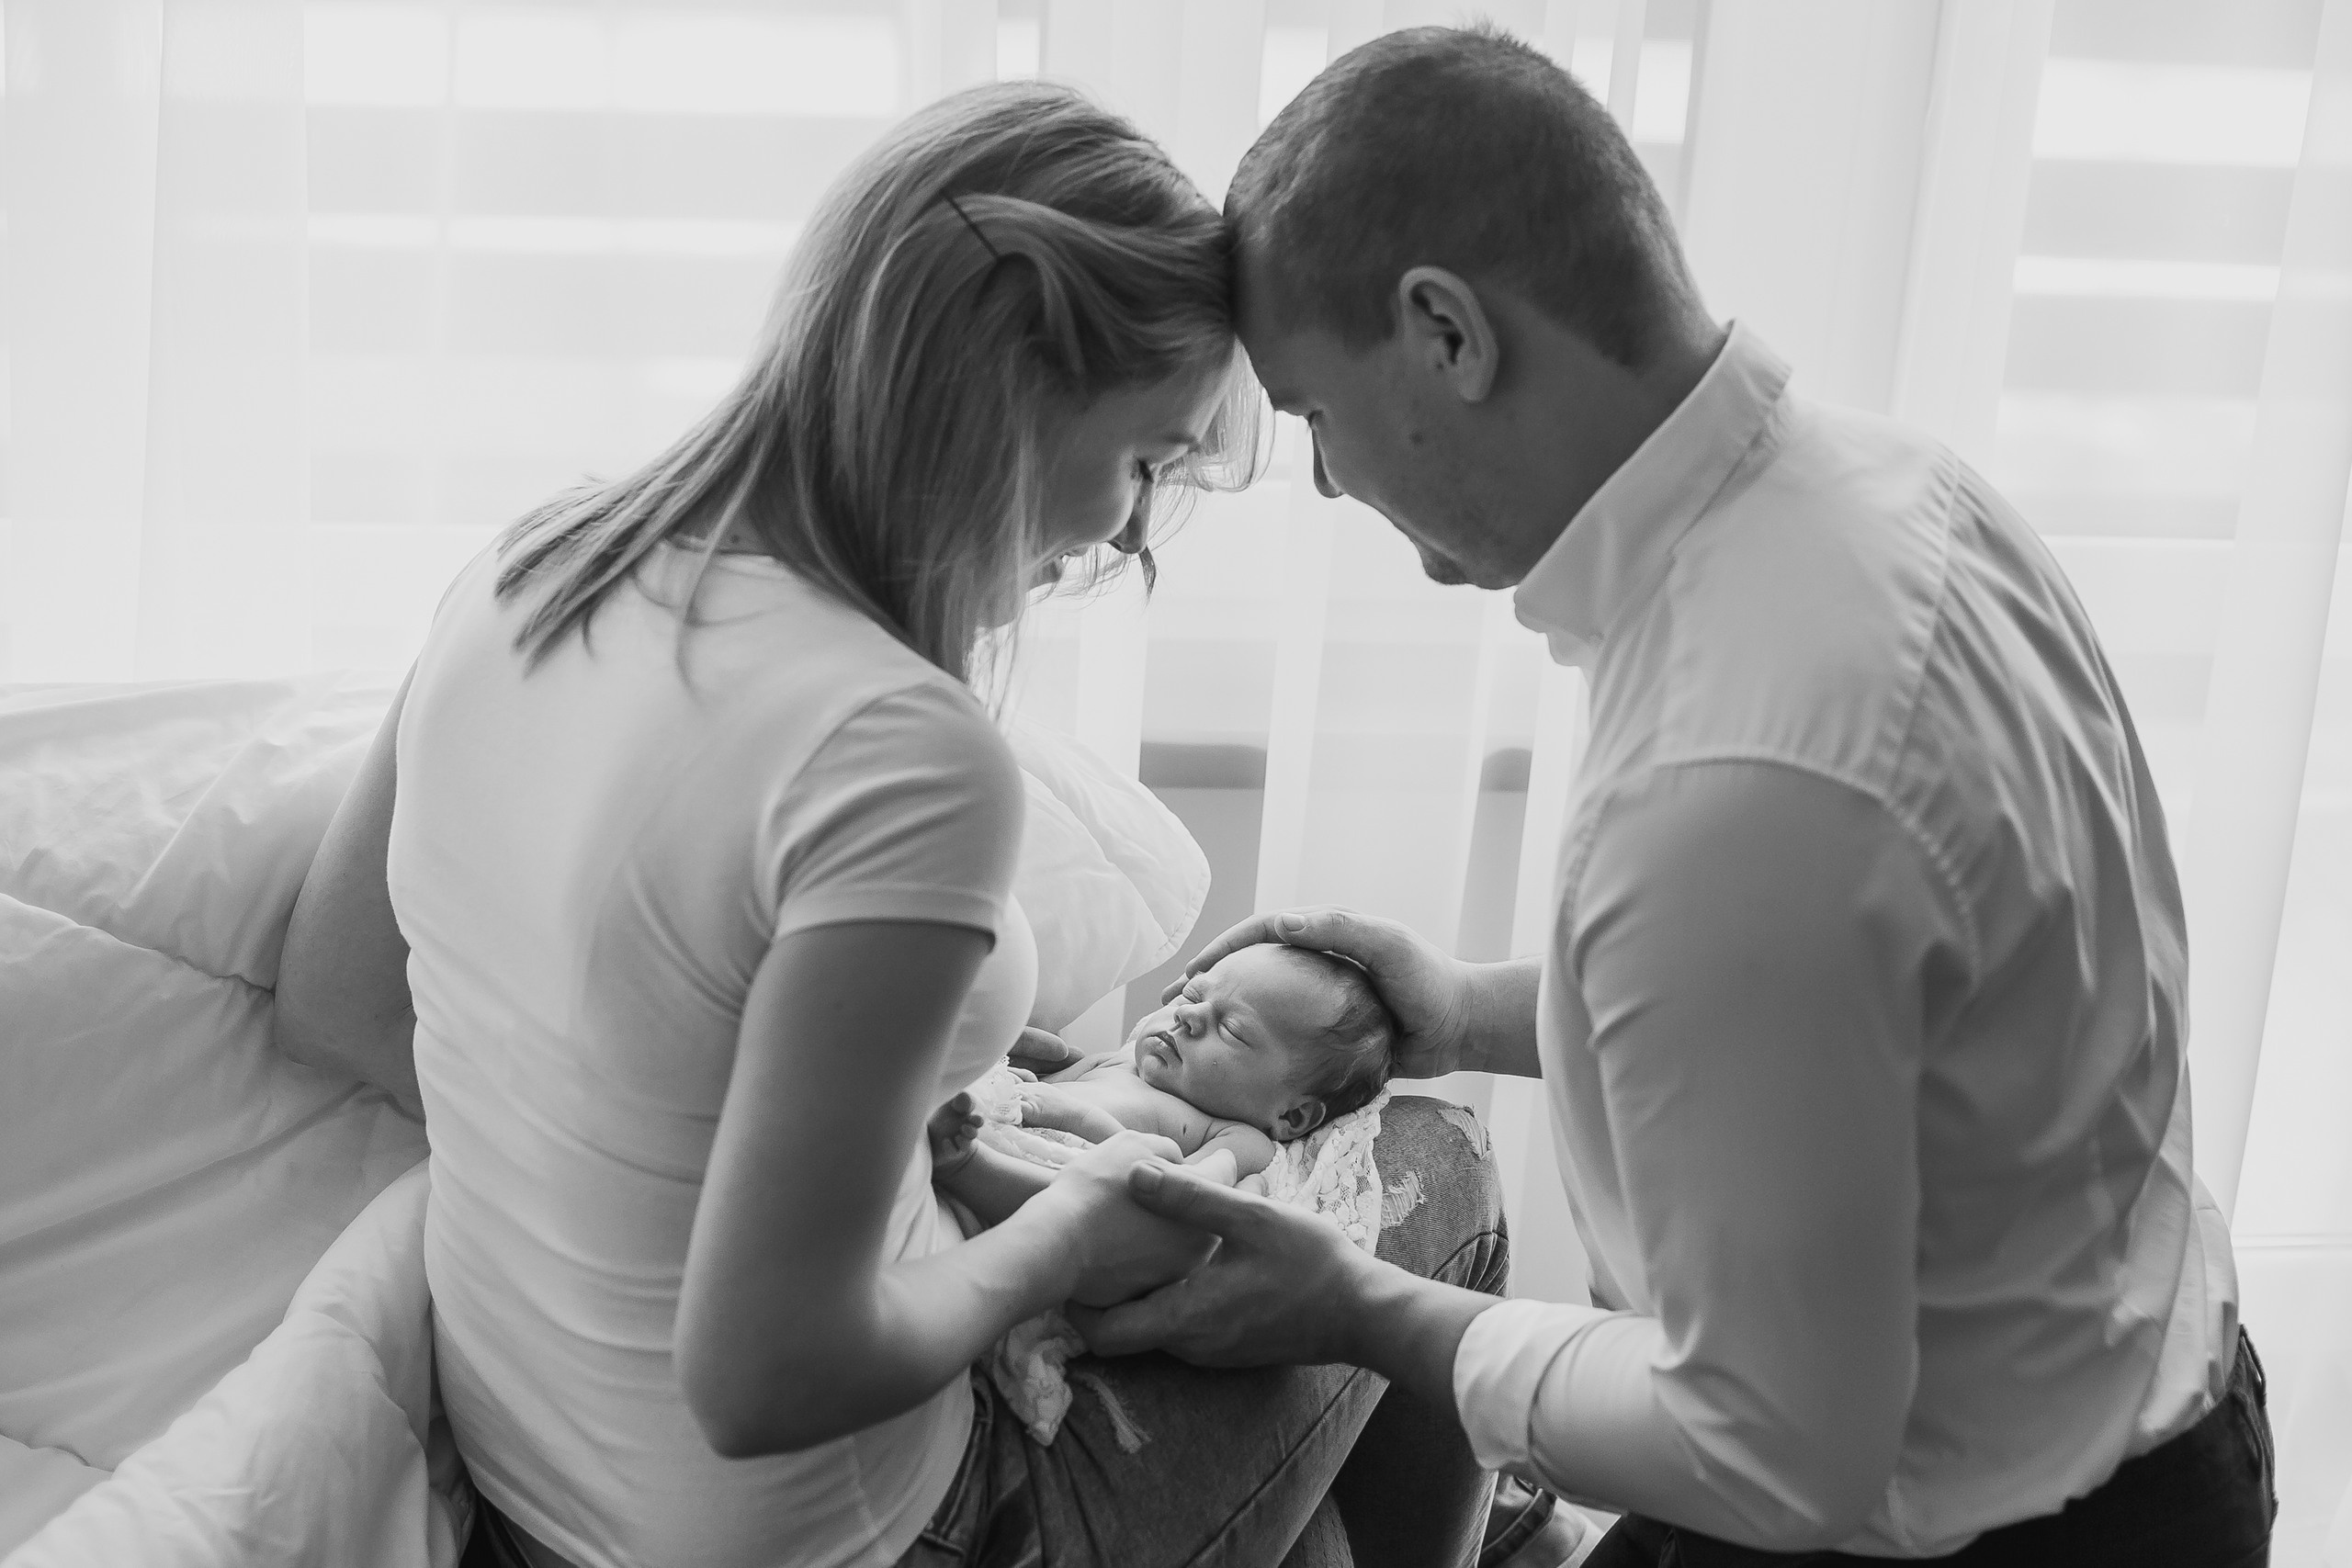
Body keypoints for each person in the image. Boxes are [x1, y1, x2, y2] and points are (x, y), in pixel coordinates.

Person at [1079, 26, 2277, 1568]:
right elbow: (1862, 1023)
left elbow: (1773, 1451)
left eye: (1312, 411)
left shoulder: (1732, 780)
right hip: (2139, 1412)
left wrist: (1357, 1304)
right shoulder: (1907, 493)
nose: (1324, 481)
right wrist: (1460, 1010)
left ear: (1446, 332)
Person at [273, 79, 1507, 1568]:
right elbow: (763, 1376)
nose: (1121, 532)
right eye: (1143, 459)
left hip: (533, 1498)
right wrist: (1071, 1227)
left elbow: (337, 1003)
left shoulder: (537, 566)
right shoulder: (897, 754)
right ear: (1013, 381)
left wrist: (651, 1134)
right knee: (1437, 1160)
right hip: (881, 1535)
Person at [932, 942, 1396, 1212]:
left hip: (1055, 1183)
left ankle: (964, 1169)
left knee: (1084, 1206)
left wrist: (1077, 1118)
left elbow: (1169, 1190)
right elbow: (1032, 1089)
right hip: (988, 1124)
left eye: (1232, 1029)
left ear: (1292, 1114)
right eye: (1192, 996)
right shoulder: (1113, 1064)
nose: (1189, 1016)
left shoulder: (1240, 1137)